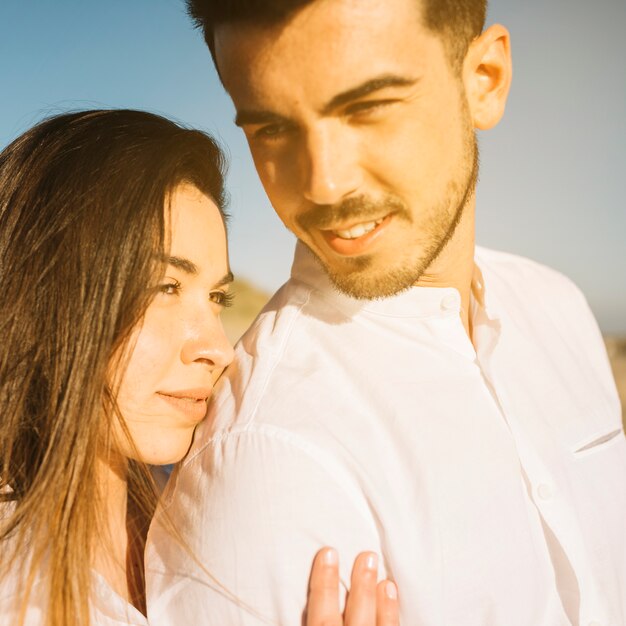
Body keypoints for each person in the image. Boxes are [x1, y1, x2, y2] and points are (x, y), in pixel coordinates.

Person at [145, 0, 626, 624]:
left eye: (366, 108)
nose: (324, 184)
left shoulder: (557, 307)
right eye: (272, 129)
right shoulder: (264, 465)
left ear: (485, 80)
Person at [0, 109, 399, 626]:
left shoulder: (199, 521)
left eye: (215, 296)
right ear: (43, 293)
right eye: (164, 287)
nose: (217, 346)